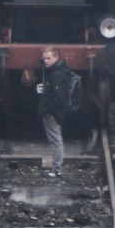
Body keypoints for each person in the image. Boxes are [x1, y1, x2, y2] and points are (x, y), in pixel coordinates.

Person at [37, 46, 72, 179]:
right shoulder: (60, 72)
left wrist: (47, 111)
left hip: (53, 113)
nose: (46, 61)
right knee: (56, 139)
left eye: (49, 58)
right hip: (54, 112)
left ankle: (56, 169)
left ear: (56, 57)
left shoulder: (56, 75)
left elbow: (58, 96)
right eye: (44, 58)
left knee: (55, 140)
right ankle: (56, 167)